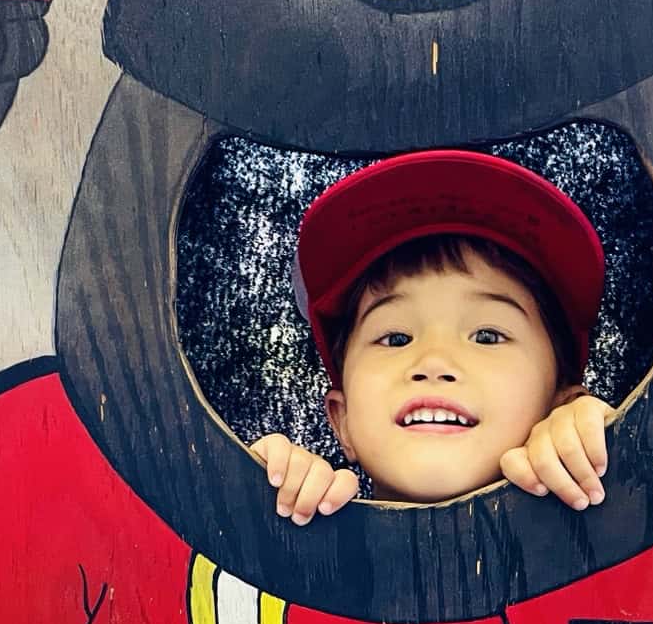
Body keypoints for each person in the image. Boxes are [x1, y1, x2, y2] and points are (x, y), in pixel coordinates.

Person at [252, 147, 614, 521]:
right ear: (341, 420)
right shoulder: (281, 532)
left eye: (487, 336)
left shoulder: (628, 527)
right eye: (396, 338)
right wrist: (245, 504)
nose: (434, 362)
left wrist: (618, 457)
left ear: (558, 407)